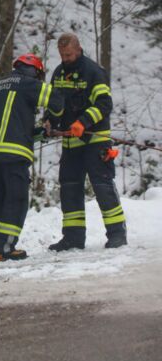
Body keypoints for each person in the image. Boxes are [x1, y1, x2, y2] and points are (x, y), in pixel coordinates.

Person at [45, 33, 127, 251]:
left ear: (79, 49)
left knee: (102, 186)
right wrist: (49, 121)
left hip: (95, 140)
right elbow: (54, 103)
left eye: (69, 54)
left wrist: (84, 121)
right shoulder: (59, 72)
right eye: (62, 55)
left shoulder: (93, 71)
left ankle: (117, 234)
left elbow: (104, 104)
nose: (66, 58)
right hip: (71, 144)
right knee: (69, 189)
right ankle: (73, 238)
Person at [0, 53, 63, 263]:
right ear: (36, 71)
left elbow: (10, 120)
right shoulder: (28, 84)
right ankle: (4, 248)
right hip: (14, 155)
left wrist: (34, 131)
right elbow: (56, 100)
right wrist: (52, 121)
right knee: (15, 201)